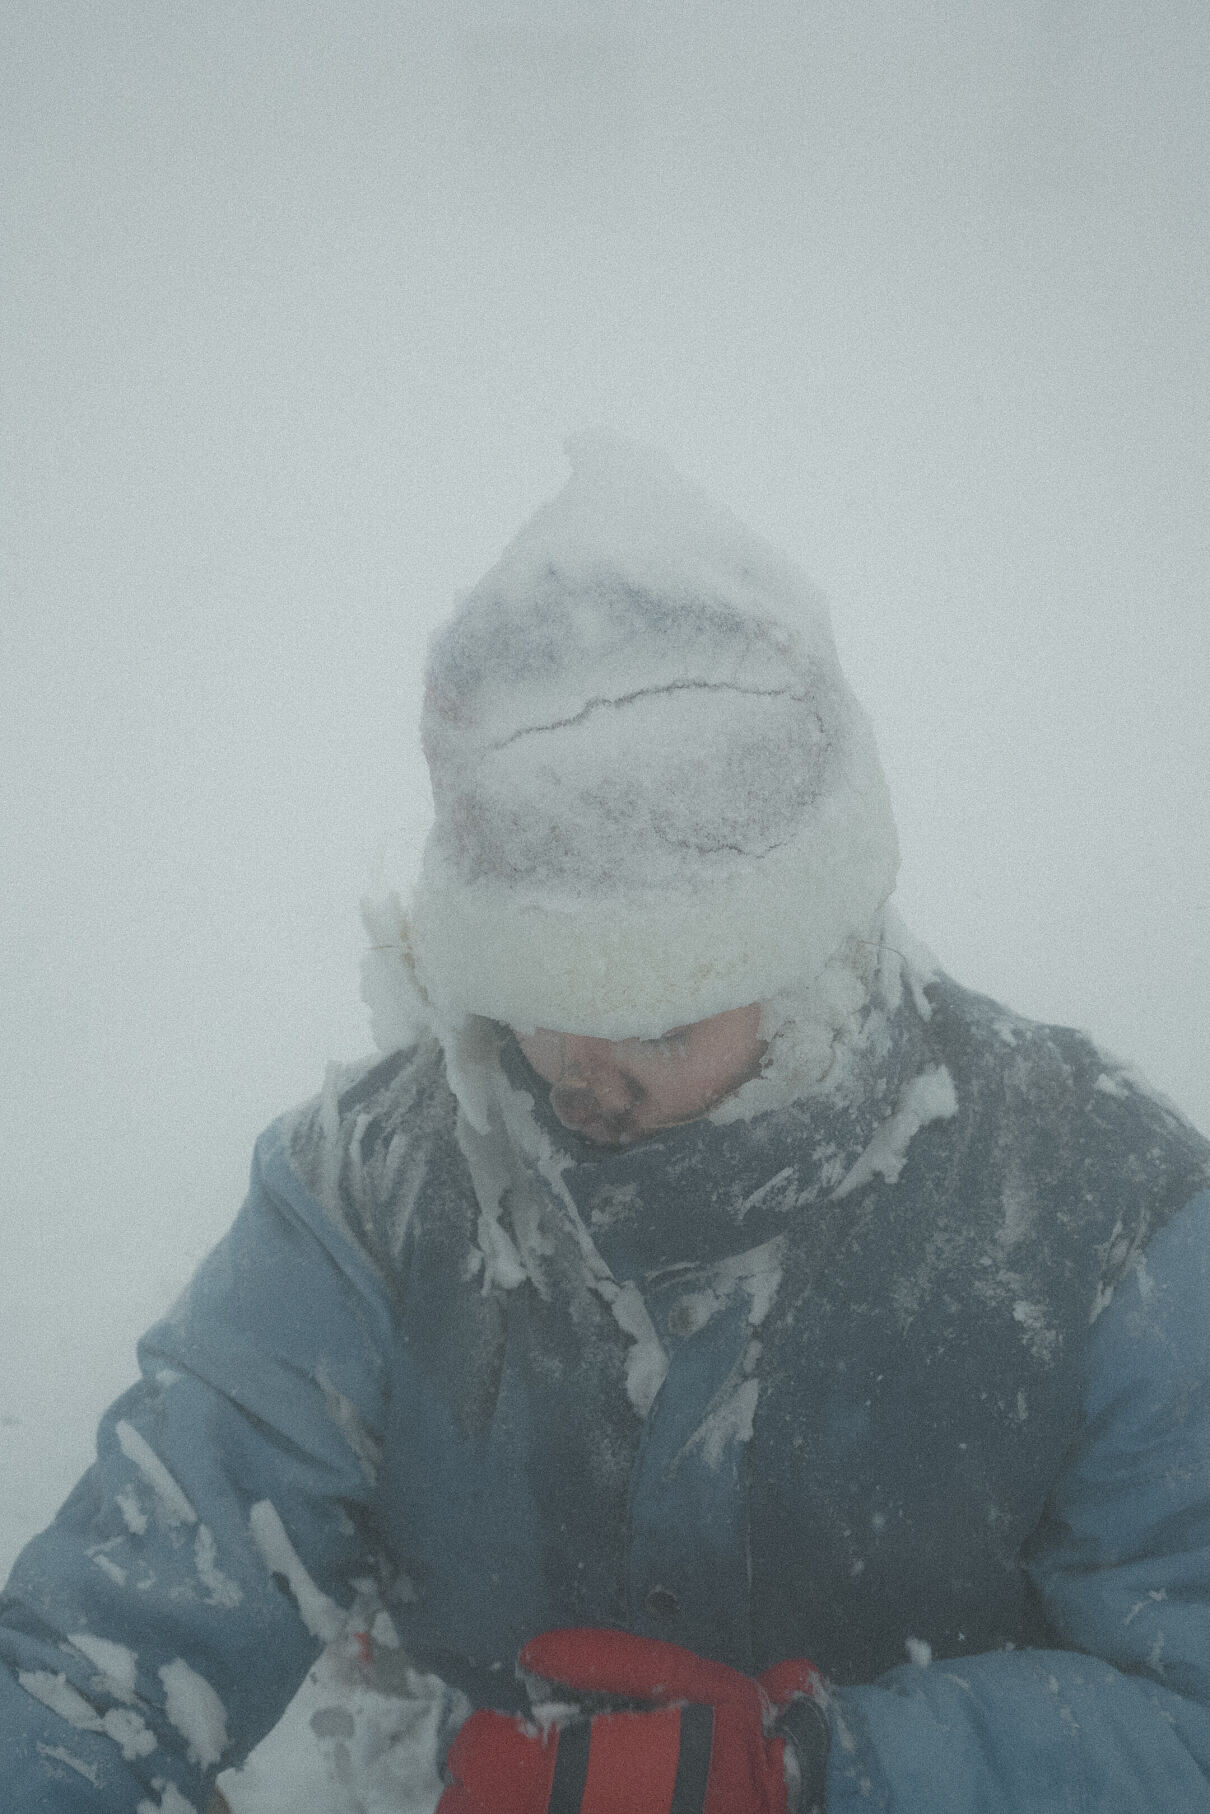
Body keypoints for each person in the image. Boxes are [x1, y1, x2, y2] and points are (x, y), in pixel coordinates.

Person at [2, 436, 1210, 1814]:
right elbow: (100, 1650)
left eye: (652, 1012)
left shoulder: (1094, 1215)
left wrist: (813, 1776)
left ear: (796, 948)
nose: (572, 1068)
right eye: (532, 991)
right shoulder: (372, 1196)